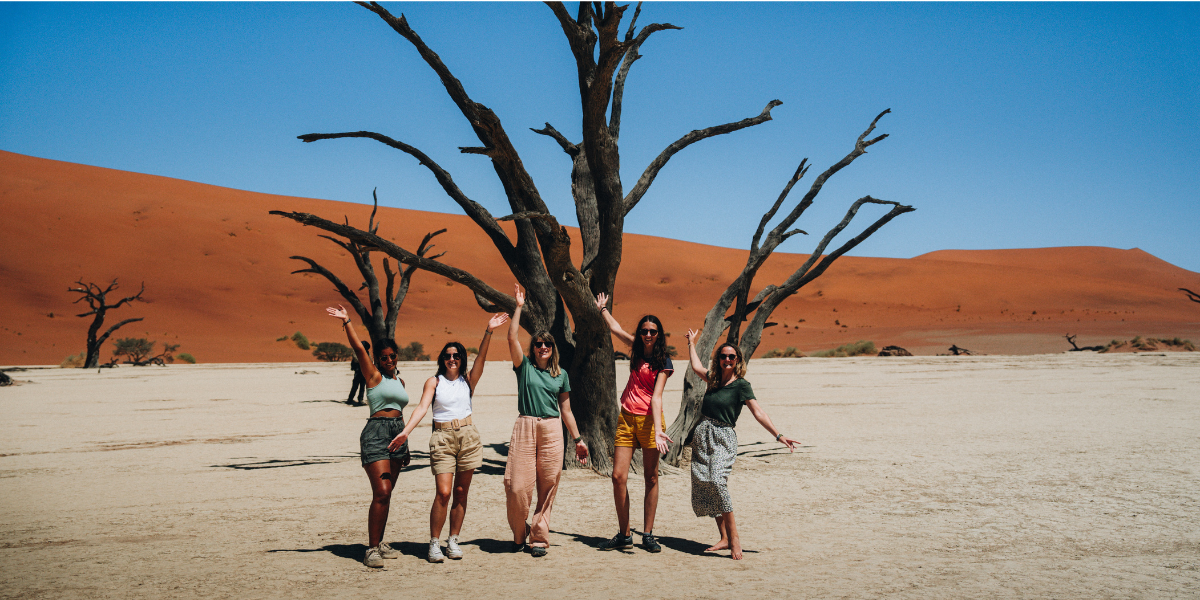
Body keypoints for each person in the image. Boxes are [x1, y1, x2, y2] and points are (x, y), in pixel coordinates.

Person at [386, 313, 509, 563]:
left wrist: (489, 331)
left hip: (469, 437)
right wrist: (405, 431)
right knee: (443, 492)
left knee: (461, 491)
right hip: (442, 437)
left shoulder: (468, 380)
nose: (452, 359)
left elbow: (482, 358)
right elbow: (422, 407)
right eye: (448, 355)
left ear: (462, 359)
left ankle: (453, 540)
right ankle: (434, 543)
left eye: (456, 356)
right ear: (442, 359)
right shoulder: (434, 381)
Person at [683, 329, 800, 560]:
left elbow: (758, 412)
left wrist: (779, 435)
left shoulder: (742, 386)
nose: (727, 360)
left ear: (737, 360)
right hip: (702, 434)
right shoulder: (714, 380)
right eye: (723, 356)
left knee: (718, 481)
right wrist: (691, 344)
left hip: (723, 437)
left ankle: (735, 538)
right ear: (718, 360)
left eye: (731, 357)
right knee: (706, 484)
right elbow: (696, 367)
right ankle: (724, 537)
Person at [505, 284, 589, 557]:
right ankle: (519, 533)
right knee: (517, 486)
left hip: (553, 429)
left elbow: (566, 410)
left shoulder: (560, 375)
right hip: (526, 426)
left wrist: (578, 440)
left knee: (548, 483)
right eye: (539, 344)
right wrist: (518, 307)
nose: (542, 347)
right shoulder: (524, 368)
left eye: (547, 344)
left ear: (553, 349)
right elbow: (512, 338)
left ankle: (538, 536)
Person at [327, 305, 411, 569]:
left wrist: (405, 441)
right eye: (384, 357)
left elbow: (401, 413)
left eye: (392, 357)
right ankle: (371, 549)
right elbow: (359, 349)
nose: (389, 361)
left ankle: (381, 542)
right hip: (375, 434)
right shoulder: (373, 375)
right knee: (382, 491)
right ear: (377, 359)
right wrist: (347, 321)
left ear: (397, 357)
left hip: (398, 434)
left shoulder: (401, 382)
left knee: (388, 493)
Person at [595, 292, 673, 553]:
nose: (647, 335)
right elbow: (616, 329)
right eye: (643, 331)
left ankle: (648, 534)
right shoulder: (637, 350)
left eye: (652, 331)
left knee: (651, 477)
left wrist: (660, 431)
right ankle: (624, 533)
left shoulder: (664, 361)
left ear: (659, 334)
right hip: (627, 419)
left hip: (651, 423)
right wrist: (603, 309)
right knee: (618, 477)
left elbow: (657, 397)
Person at [346, 341, 370, 406]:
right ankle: (350, 399)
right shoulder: (356, 352)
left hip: (364, 371)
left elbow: (370, 360)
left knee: (362, 386)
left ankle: (360, 399)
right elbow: (356, 360)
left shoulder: (367, 352)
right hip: (358, 370)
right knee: (355, 386)